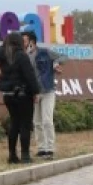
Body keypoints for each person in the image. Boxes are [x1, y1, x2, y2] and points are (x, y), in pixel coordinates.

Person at [0, 32, 40, 164]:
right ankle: (25, 155)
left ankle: (12, 155)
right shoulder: (21, 56)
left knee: (14, 124)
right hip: (22, 94)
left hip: (8, 95)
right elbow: (29, 75)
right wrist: (35, 91)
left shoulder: (1, 55)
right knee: (25, 125)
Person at [21, 26, 64, 160]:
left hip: (48, 90)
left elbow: (63, 57)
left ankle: (50, 148)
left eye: (25, 40)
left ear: (32, 41)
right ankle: (42, 148)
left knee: (47, 120)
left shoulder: (45, 52)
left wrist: (55, 64)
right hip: (34, 93)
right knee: (37, 122)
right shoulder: (25, 57)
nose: (23, 42)